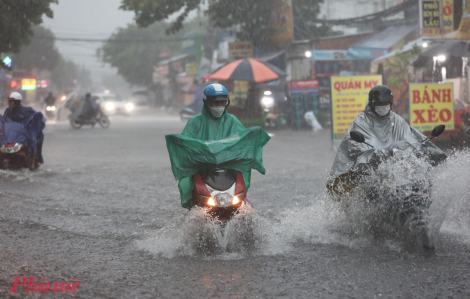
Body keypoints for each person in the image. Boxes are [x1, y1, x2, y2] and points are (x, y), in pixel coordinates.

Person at [327, 85, 446, 193]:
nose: (382, 107)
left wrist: (417, 148)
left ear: (391, 103)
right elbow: (359, 147)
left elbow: (410, 139)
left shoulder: (397, 120)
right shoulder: (361, 121)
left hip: (400, 167)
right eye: (379, 105)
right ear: (372, 104)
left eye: (385, 104)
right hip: (373, 170)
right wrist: (377, 154)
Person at [178, 83, 247, 208]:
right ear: (206, 102)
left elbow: (243, 142)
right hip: (202, 169)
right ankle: (190, 208)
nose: (219, 106)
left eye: (222, 103)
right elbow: (185, 145)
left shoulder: (233, 121)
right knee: (186, 185)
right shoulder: (195, 122)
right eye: (215, 103)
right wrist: (195, 154)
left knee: (243, 196)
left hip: (229, 170)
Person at [3, 92, 45, 169]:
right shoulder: (8, 111)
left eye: (11, 101)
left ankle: (32, 163)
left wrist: (39, 123)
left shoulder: (27, 110)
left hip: (25, 133)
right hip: (12, 134)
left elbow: (38, 117)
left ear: (17, 102)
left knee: (33, 143)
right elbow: (4, 121)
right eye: (9, 101)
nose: (9, 103)